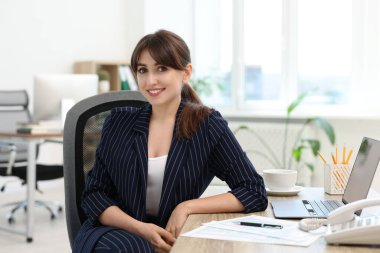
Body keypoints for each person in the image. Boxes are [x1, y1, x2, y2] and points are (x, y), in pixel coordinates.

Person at [73, 29, 268, 253]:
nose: (150, 80)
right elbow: (94, 195)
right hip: (112, 232)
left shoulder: (206, 125)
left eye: (161, 69)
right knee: (132, 247)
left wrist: (186, 207)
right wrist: (140, 229)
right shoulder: (118, 122)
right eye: (142, 70)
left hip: (169, 232)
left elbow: (253, 190)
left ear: (186, 73)